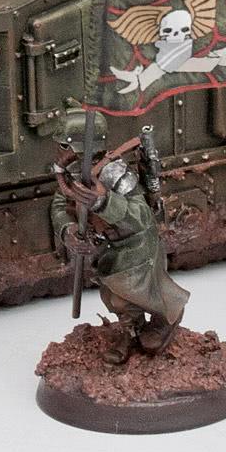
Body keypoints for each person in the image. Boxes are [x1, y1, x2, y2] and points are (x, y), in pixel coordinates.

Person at [53, 130, 188, 364]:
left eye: (66, 145)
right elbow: (59, 206)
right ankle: (131, 332)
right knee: (113, 298)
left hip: (136, 243)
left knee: (135, 290)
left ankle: (168, 314)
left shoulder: (115, 173)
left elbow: (141, 215)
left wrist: (104, 202)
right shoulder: (70, 175)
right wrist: (69, 230)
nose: (62, 151)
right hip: (107, 245)